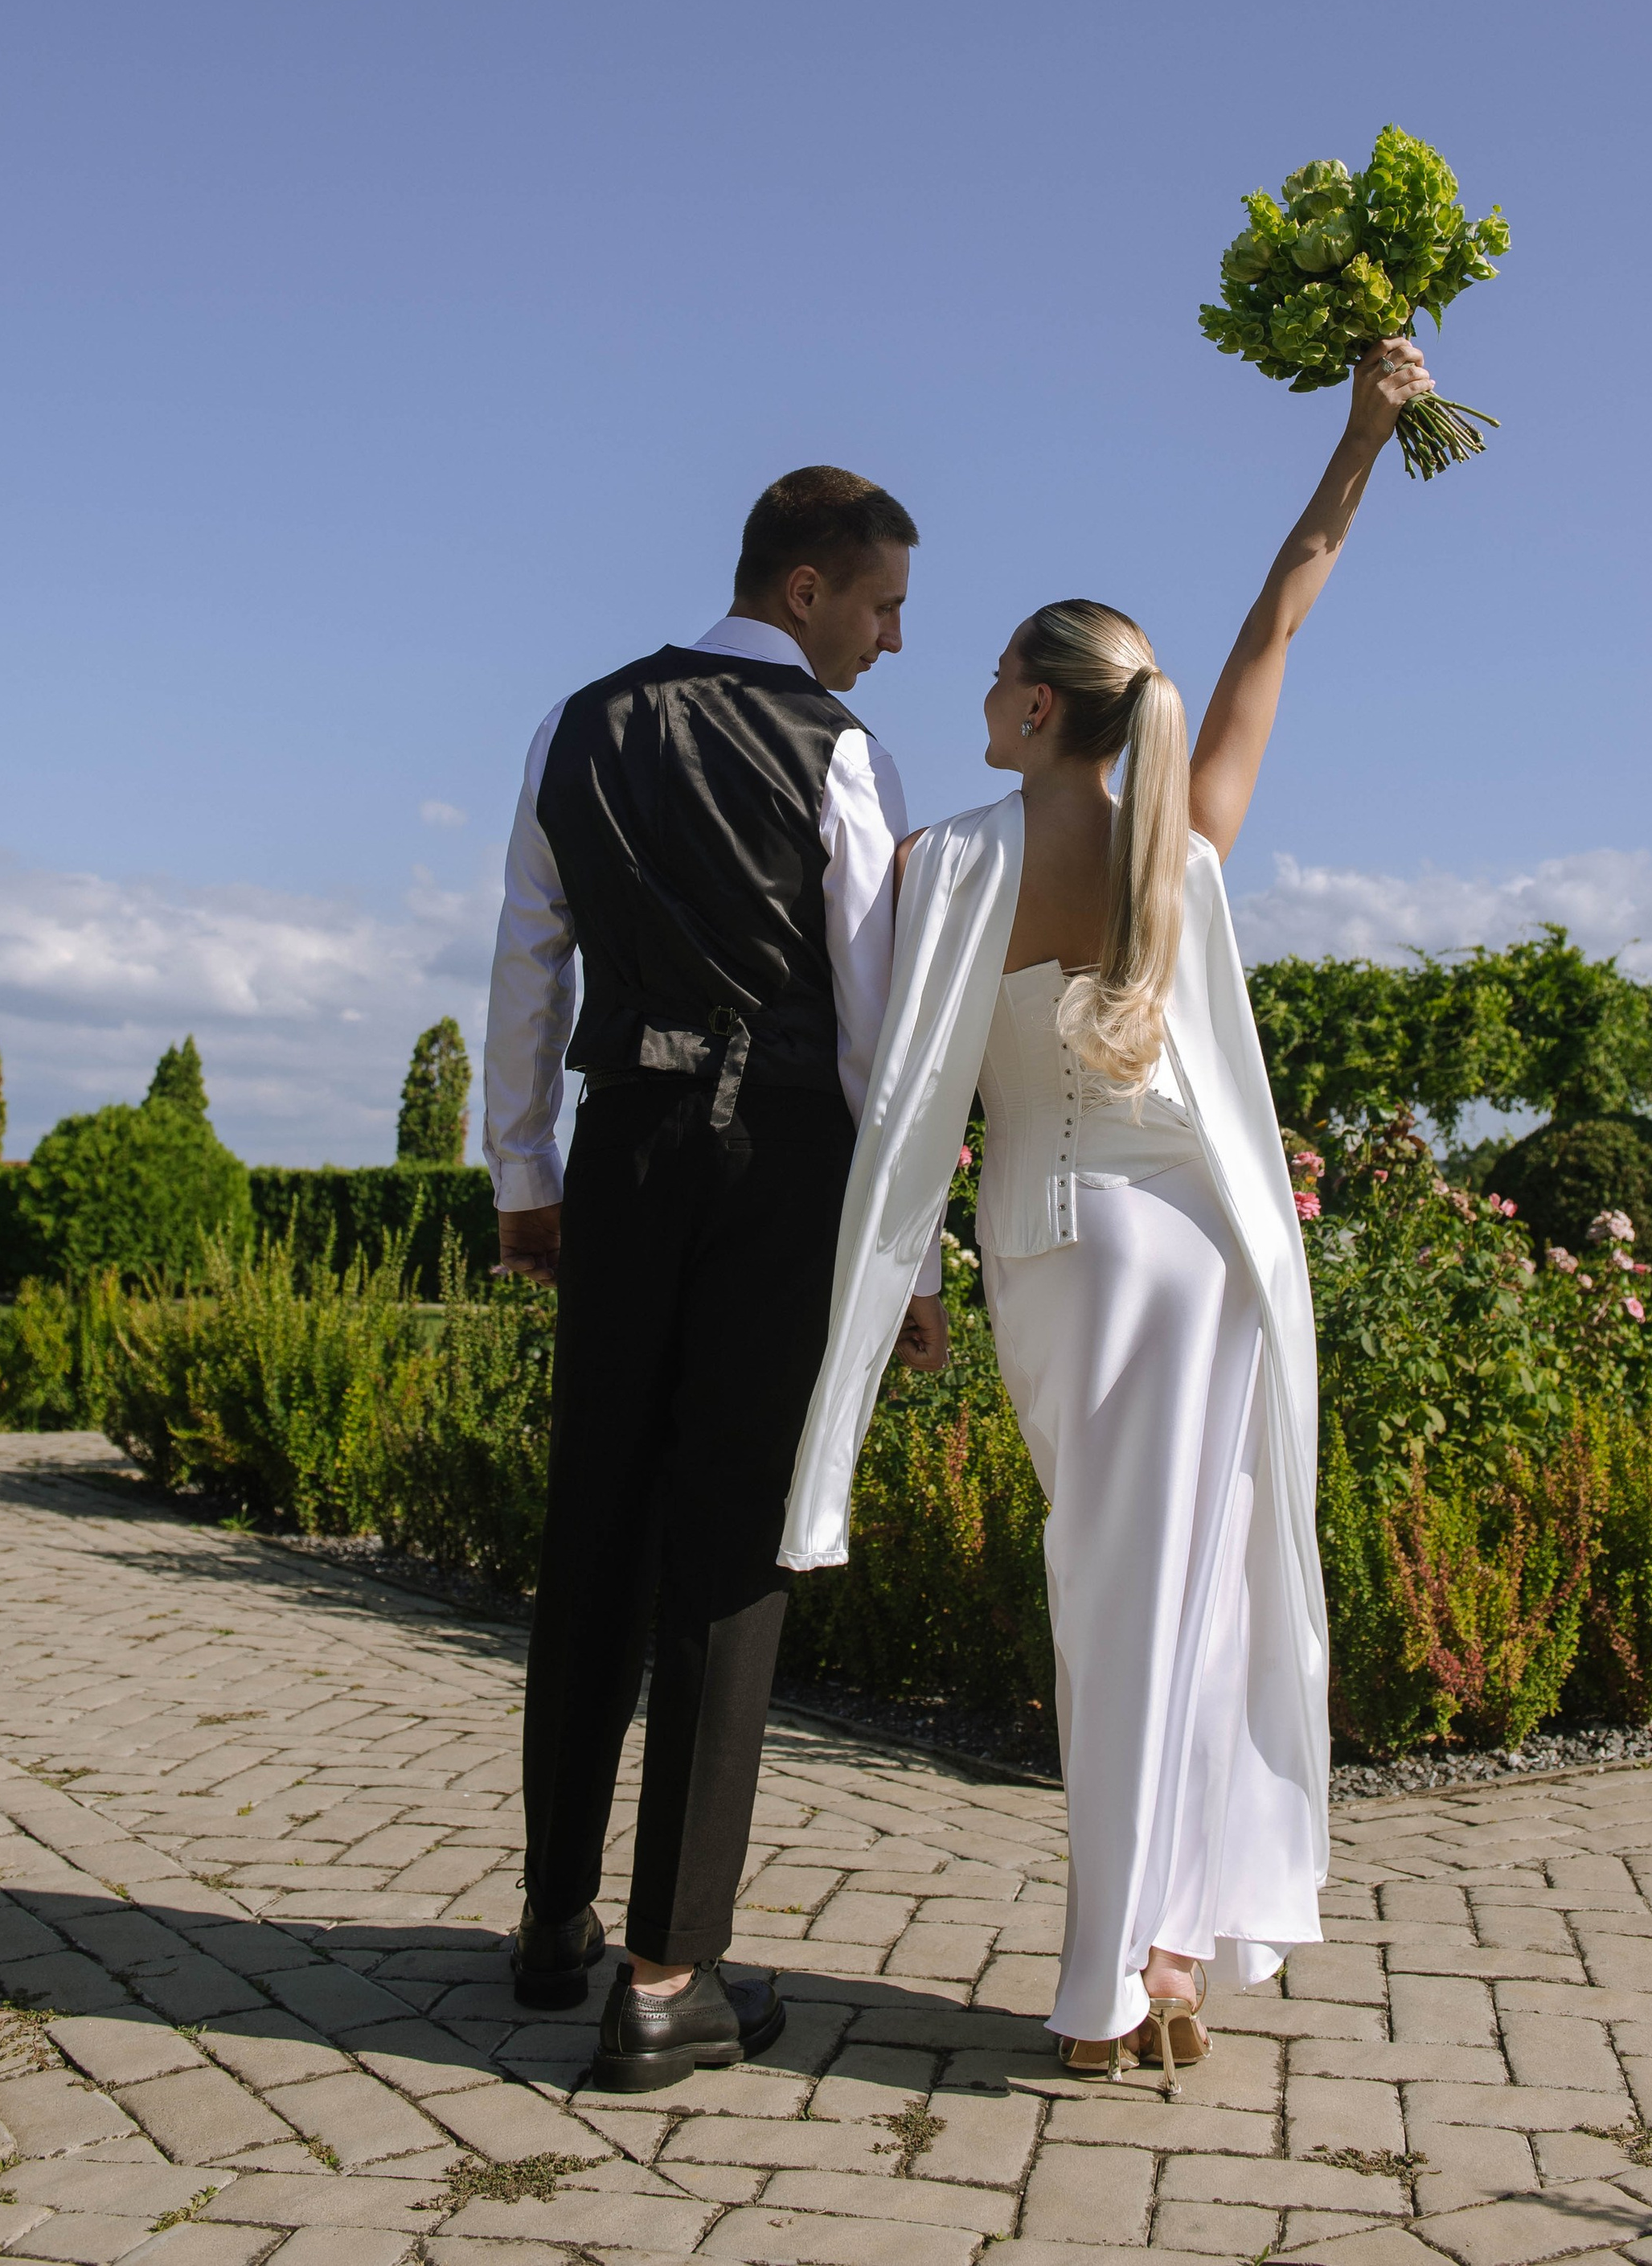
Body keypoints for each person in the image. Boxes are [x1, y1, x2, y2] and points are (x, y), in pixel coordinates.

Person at [782, 338, 1433, 2081]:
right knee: (1193, 1599)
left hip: (1058, 1255)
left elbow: (893, 1088)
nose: (979, 683)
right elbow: (1274, 626)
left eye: (1000, 667)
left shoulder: (945, 864)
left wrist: (903, 1273)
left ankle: (1115, 1980)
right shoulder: (1183, 851)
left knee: (1112, 1603)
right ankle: (1167, 1946)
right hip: (1207, 1260)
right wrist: (1358, 441)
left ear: (1039, 709)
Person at [482, 463, 949, 2095]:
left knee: (593, 1526)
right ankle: (667, 1977)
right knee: (729, 1551)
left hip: (620, 1148)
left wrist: (525, 1177)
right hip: (778, 1166)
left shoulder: (577, 722)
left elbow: (528, 958)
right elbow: (879, 1025)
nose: (893, 638)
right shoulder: (839, 752)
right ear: (805, 588)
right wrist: (908, 1257)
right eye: (883, 603)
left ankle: (552, 1923)